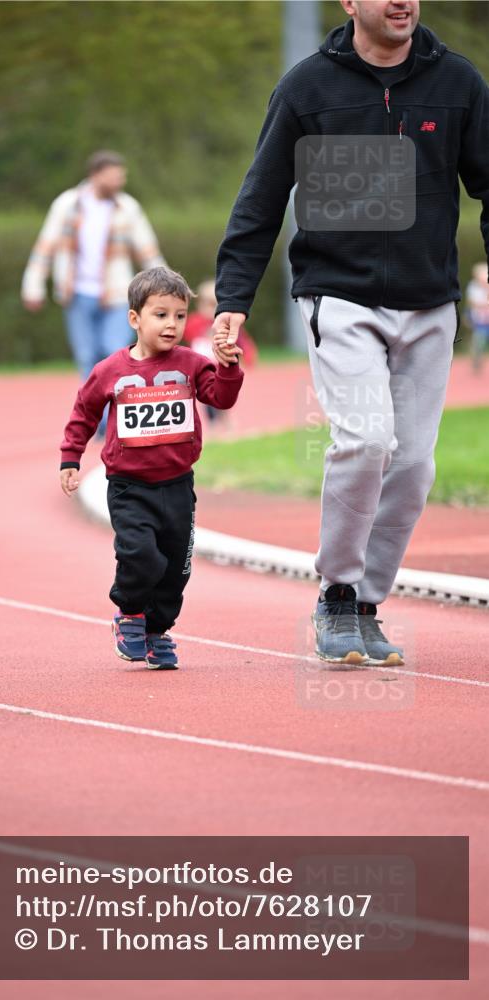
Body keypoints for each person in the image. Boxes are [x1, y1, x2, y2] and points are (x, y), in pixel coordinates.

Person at [213, 0, 489, 666]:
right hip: (338, 297)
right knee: (366, 440)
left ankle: (365, 605)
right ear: (348, 3)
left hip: (429, 302)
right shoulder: (307, 86)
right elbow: (262, 194)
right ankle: (336, 594)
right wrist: (233, 297)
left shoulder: (458, 83)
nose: (401, 1)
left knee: (414, 466)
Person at [59, 266, 244, 669]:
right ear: (134, 318)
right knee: (141, 554)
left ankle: (158, 630)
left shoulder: (192, 363)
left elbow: (221, 398)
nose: (172, 324)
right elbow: (84, 413)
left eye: (179, 315)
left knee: (176, 568)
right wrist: (71, 457)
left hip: (178, 485)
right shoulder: (110, 371)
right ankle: (129, 613)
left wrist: (228, 367)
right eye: (160, 315)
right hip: (129, 486)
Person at [21, 150, 165, 384]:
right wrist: (32, 286)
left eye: (121, 176)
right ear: (95, 175)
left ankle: (114, 407)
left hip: (118, 294)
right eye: (114, 176)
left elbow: (148, 251)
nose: (119, 182)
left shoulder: (127, 207)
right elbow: (45, 247)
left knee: (114, 350)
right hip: (77, 293)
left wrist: (164, 287)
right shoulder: (67, 204)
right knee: (87, 356)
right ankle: (94, 408)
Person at [184, 279, 257, 428]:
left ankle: (226, 420)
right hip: (202, 368)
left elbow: (241, 339)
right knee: (205, 395)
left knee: (224, 394)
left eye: (215, 305)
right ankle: (212, 423)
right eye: (208, 304)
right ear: (200, 305)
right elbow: (188, 334)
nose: (211, 309)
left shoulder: (226, 323)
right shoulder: (194, 321)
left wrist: (249, 356)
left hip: (221, 366)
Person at [465, 262, 489, 373]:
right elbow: (472, 303)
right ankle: (476, 362)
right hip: (480, 321)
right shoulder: (473, 287)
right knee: (478, 343)